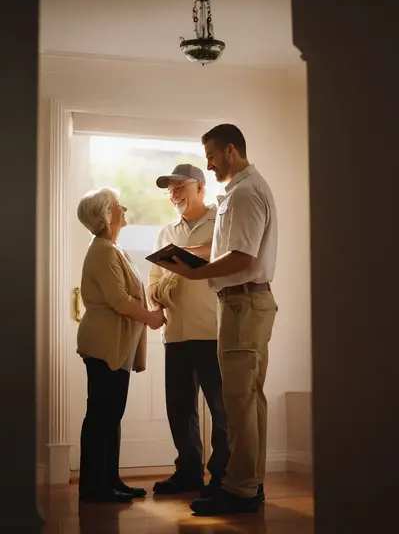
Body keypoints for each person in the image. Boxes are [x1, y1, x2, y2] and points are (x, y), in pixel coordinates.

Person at [157, 125, 278, 516]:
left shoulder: (244, 192)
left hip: (243, 304)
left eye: (210, 155)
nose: (208, 164)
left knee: (239, 403)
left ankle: (240, 489)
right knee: (246, 401)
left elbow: (242, 256)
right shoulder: (241, 191)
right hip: (242, 304)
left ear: (230, 150)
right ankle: (245, 484)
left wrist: (193, 272)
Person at [76, 187, 166, 503]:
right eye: (118, 205)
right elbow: (119, 300)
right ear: (105, 215)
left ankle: (108, 480)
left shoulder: (113, 248)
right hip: (104, 343)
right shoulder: (102, 250)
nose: (124, 208)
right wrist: (151, 318)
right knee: (102, 415)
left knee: (110, 414)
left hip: (116, 345)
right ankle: (94, 486)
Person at [148, 164, 230, 496]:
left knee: (221, 408)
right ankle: (188, 473)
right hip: (177, 335)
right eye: (169, 190)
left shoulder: (222, 222)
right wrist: (156, 300)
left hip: (212, 330)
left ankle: (224, 475)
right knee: (180, 408)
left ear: (199, 187)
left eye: (179, 186)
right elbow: (153, 279)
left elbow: (230, 262)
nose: (174, 194)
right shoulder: (165, 232)